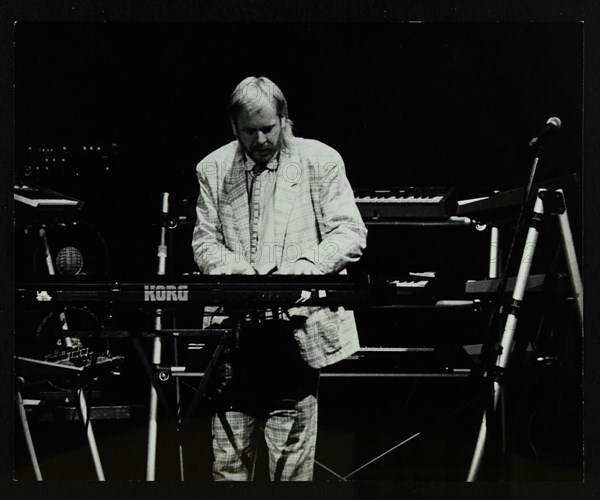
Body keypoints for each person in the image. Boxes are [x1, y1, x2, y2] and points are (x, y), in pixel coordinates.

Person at [191, 76, 367, 481]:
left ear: (284, 120)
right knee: (228, 465)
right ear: (234, 127)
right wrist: (242, 276)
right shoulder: (212, 168)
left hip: (295, 335)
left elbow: (349, 232)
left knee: (292, 469)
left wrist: (303, 268)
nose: (260, 139)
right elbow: (205, 244)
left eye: (268, 128)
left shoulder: (319, 160)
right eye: (249, 131)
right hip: (234, 335)